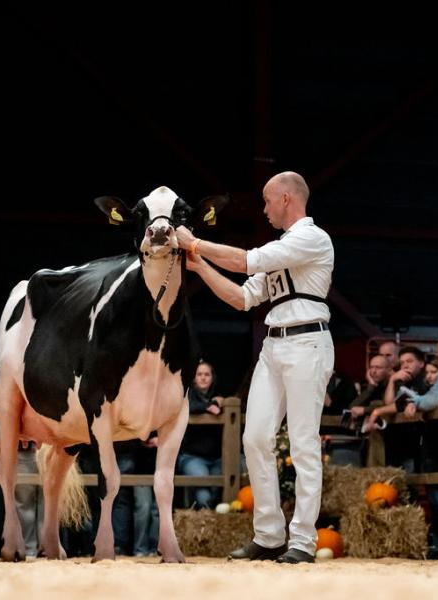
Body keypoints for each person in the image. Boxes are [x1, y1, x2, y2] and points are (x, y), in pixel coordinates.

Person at [176, 171, 334, 564]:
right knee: (256, 437)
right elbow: (243, 297)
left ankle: (302, 541)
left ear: (285, 198)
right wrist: (200, 267)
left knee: (303, 443)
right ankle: (268, 535)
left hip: (307, 341)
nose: (263, 210)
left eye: (266, 201)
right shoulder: (285, 247)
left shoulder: (311, 238)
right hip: (275, 344)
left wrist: (194, 242)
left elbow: (249, 262)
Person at [177, 360, 225, 509]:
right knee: (204, 496)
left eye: (207, 374)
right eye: (199, 374)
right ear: (194, 378)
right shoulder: (186, 394)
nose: (203, 377)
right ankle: (201, 530)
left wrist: (217, 403)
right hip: (192, 457)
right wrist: (210, 406)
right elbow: (188, 406)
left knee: (218, 493)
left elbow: (234, 407)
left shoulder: (219, 397)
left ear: (212, 378)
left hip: (216, 458)